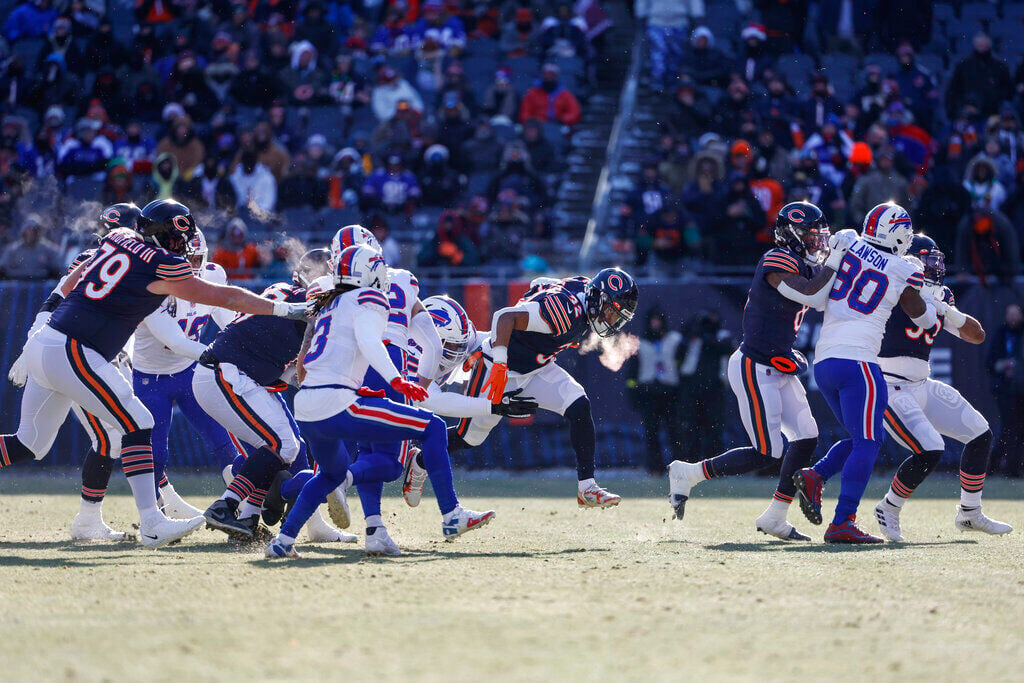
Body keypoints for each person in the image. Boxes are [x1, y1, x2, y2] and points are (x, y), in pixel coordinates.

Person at [0, 198, 311, 548]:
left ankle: (113, 519)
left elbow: (68, 282)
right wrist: (283, 308)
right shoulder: (163, 265)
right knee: (138, 423)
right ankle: (152, 522)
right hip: (76, 350)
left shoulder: (116, 239)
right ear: (167, 236)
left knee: (30, 443)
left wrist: (38, 328)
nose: (184, 249)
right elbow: (226, 299)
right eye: (181, 240)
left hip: (48, 342)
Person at [265, 244, 493, 559]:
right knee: (433, 429)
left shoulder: (327, 302)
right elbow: (371, 342)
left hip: (308, 405)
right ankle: (451, 514)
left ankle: (282, 542)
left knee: (330, 475)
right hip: (338, 402)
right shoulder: (366, 297)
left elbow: (311, 357)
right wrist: (396, 379)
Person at [668, 202, 834, 541]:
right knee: (766, 451)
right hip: (754, 366)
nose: (818, 243)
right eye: (810, 235)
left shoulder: (801, 262)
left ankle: (775, 516)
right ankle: (688, 473)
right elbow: (812, 295)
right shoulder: (776, 259)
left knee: (806, 436)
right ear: (791, 235)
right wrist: (836, 262)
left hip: (778, 363)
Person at [793, 202, 937, 543]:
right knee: (870, 442)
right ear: (901, 234)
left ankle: (816, 476)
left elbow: (819, 292)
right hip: (859, 361)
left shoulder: (848, 242)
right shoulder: (904, 268)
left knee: (861, 438)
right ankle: (843, 521)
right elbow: (924, 318)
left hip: (825, 361)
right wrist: (924, 288)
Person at [447, 270, 638, 508]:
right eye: (610, 313)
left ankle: (587, 487)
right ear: (599, 299)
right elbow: (504, 317)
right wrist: (498, 364)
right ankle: (420, 459)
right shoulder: (563, 311)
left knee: (579, 405)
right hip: (501, 368)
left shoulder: (585, 291)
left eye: (616, 318)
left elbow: (541, 283)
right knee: (469, 438)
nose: (610, 321)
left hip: (538, 366)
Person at [200, 249, 353, 544]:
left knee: (285, 445)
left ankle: (246, 517)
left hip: (234, 375)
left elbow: (288, 371)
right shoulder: (302, 304)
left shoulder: (286, 299)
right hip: (225, 373)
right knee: (282, 443)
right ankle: (226, 505)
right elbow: (307, 347)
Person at [8, 204, 141, 541]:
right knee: (109, 437)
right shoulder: (104, 257)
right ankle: (91, 523)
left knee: (29, 444)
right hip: (76, 355)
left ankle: (90, 522)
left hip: (69, 352)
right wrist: (32, 341)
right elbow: (57, 300)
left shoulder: (103, 256)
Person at [873, 235, 1011, 540]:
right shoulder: (893, 284)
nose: (936, 265)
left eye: (937, 259)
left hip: (921, 383)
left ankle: (970, 513)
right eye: (929, 259)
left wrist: (946, 310)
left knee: (980, 433)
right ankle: (889, 507)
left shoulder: (942, 293)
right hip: (890, 385)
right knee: (930, 448)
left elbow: (977, 336)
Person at [130, 228, 240, 518]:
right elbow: (175, 342)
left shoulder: (213, 274)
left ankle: (241, 510)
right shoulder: (154, 284)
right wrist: (219, 358)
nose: (191, 267)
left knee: (224, 443)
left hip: (190, 373)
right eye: (184, 259)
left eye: (196, 259)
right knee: (156, 453)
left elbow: (230, 323)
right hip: (150, 377)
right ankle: (154, 517)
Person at [627, 308, 683, 474]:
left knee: (675, 432)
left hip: (670, 391)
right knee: (651, 433)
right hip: (649, 392)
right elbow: (633, 372)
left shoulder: (674, 340)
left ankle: (678, 467)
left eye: (658, 320)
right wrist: (633, 393)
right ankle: (655, 467)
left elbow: (682, 363)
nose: (655, 324)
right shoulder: (640, 344)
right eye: (653, 320)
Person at [987, 303, 1024, 478]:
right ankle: (1005, 468)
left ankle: (1009, 466)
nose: (1013, 318)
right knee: (1010, 428)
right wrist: (1003, 366)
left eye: (1016, 314)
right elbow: (991, 362)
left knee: (1016, 429)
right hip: (1006, 390)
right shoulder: (1001, 334)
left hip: (1021, 389)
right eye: (1010, 314)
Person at [0, 215, 61, 280]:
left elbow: (57, 270)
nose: (30, 234)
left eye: (33, 230)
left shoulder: (49, 249)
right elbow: (3, 268)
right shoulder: (12, 250)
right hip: (16, 285)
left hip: (42, 285)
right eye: (28, 230)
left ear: (38, 232)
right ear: (23, 231)